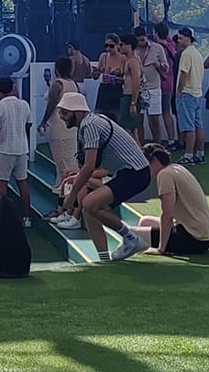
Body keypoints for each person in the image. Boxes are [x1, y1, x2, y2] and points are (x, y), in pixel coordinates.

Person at [63, 92, 153, 261]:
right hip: (128, 172)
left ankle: (131, 239)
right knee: (88, 208)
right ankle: (104, 258)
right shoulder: (90, 123)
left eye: (64, 112)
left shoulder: (89, 125)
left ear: (77, 111)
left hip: (134, 172)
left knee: (89, 203)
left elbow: (89, 167)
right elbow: (89, 167)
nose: (61, 117)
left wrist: (71, 196)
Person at [132, 143, 209, 258]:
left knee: (130, 234)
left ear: (155, 160)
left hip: (193, 239)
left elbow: (167, 214)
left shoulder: (164, 175)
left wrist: (161, 249)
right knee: (145, 221)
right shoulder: (176, 168)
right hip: (203, 236)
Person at [172, 28, 206, 164]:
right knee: (198, 125)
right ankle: (200, 153)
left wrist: (179, 91)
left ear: (188, 38)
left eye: (181, 38)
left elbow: (184, 74)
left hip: (187, 93)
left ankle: (188, 154)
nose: (179, 41)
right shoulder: (197, 54)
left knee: (188, 126)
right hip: (197, 92)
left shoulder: (186, 54)